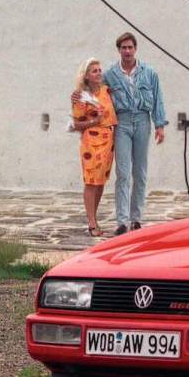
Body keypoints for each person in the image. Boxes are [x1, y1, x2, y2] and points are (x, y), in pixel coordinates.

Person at [75, 32, 168, 236]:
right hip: (123, 123)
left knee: (140, 173)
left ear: (135, 49)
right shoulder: (110, 74)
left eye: (130, 47)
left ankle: (136, 218)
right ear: (119, 50)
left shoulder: (149, 73)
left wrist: (160, 125)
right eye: (123, 48)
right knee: (123, 173)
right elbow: (94, 89)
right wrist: (80, 98)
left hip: (143, 121)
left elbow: (158, 98)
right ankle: (122, 221)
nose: (127, 51)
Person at [71, 58, 118, 237]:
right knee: (91, 182)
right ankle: (92, 223)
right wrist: (94, 121)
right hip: (91, 142)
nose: (99, 73)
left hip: (108, 141)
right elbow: (76, 124)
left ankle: (94, 217)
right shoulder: (81, 96)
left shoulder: (107, 90)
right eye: (94, 71)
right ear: (87, 76)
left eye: (99, 70)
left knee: (100, 183)